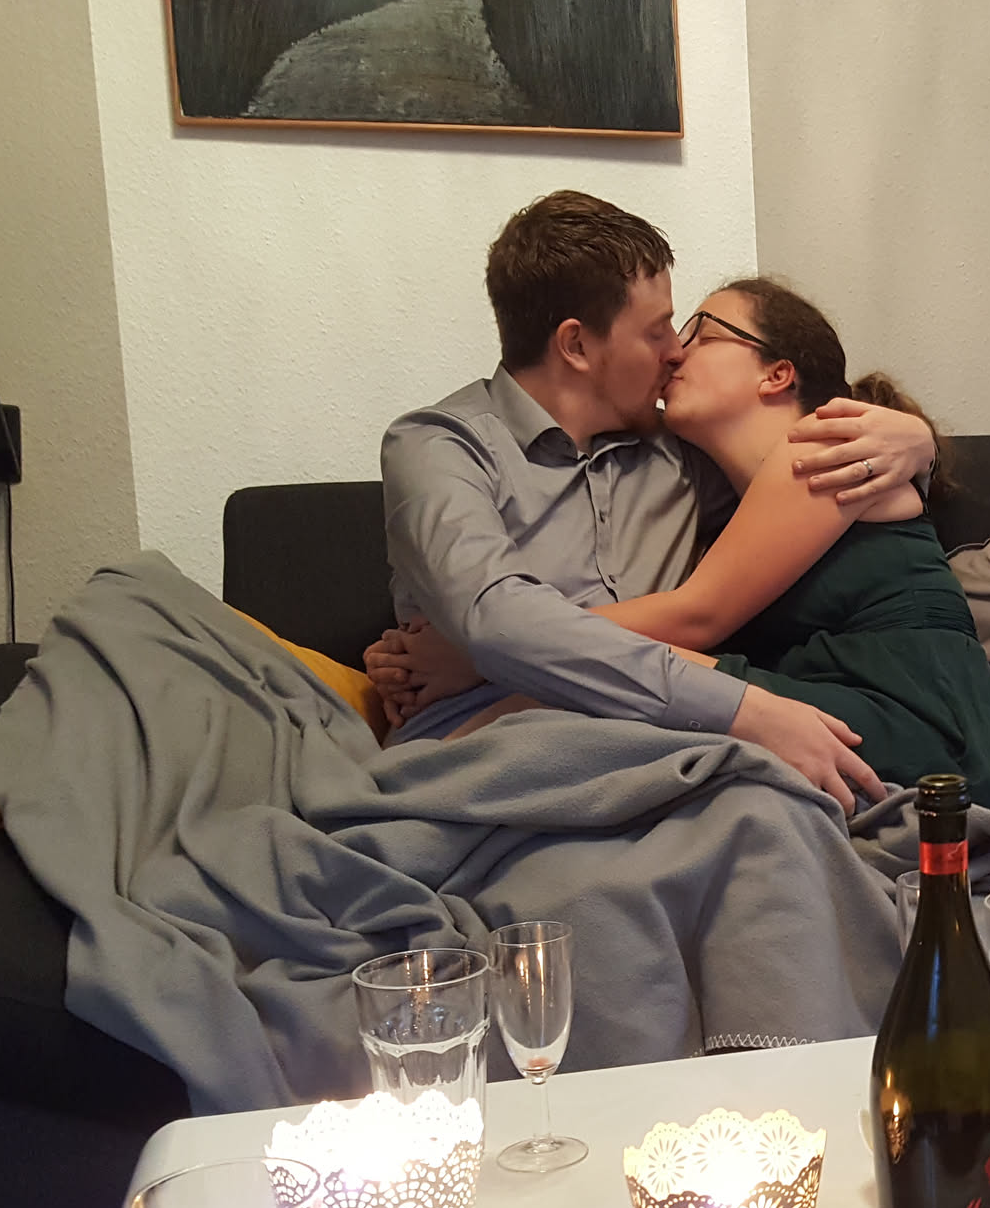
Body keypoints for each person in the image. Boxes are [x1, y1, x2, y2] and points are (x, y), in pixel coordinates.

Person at [370, 190, 938, 812]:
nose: (675, 351)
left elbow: (806, 483)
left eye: (688, 330)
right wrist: (492, 652)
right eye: (658, 329)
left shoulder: (685, 453)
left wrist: (916, 441)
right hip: (494, 749)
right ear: (576, 346)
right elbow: (498, 619)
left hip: (658, 743)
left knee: (759, 820)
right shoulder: (438, 445)